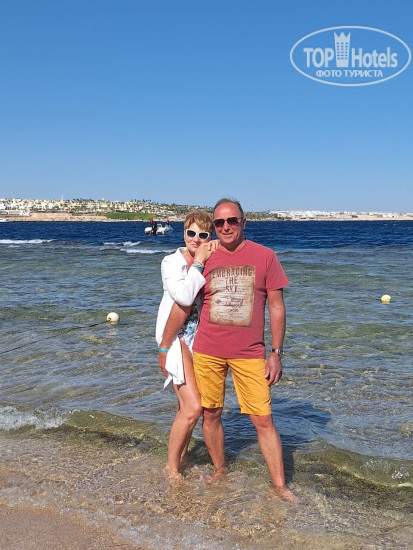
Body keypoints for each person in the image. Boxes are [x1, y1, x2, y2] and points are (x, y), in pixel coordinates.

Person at [159, 198, 298, 501]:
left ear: (243, 222)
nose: (225, 227)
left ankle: (280, 487)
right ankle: (219, 470)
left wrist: (276, 353)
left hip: (250, 353)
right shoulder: (205, 256)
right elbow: (183, 305)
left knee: (262, 419)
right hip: (207, 351)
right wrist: (165, 346)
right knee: (210, 414)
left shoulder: (265, 256)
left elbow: (276, 307)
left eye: (232, 221)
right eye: (219, 222)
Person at [155, 209, 215, 478]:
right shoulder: (171, 262)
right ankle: (171, 468)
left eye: (203, 235)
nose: (196, 239)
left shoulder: (211, 256)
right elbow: (183, 297)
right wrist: (200, 261)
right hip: (175, 337)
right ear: (183, 233)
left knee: (186, 407)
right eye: (191, 233)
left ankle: (181, 457)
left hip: (198, 339)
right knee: (192, 407)